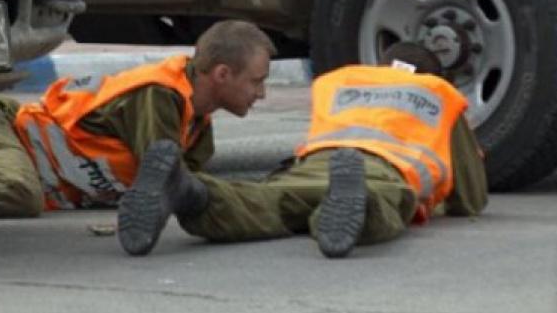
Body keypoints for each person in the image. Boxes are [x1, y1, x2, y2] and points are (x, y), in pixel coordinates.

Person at [117, 42, 488, 258]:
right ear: (432, 76)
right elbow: (470, 197)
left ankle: (190, 191)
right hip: (380, 171)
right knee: (381, 203)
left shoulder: (341, 81)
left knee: (267, 203)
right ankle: (351, 205)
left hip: (313, 164)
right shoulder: (437, 93)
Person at [0, 19, 276, 218]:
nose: (260, 93)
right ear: (222, 74)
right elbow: (167, 181)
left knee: (21, 191)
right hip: (9, 133)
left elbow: (191, 187)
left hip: (30, 165)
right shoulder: (158, 95)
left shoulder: (197, 126)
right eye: (256, 81)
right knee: (17, 194)